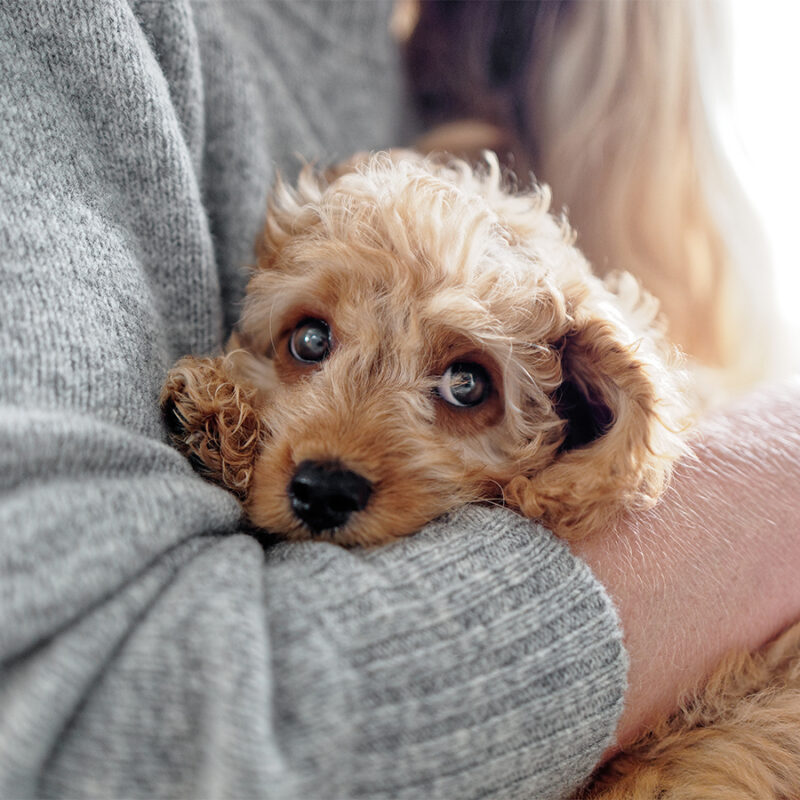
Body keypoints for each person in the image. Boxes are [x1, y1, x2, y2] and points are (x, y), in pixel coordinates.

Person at [1, 3, 798, 799]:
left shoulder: (507, 74)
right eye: (312, 343)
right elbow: (86, 726)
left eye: (462, 386)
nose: (340, 452)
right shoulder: (71, 37)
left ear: (587, 407)